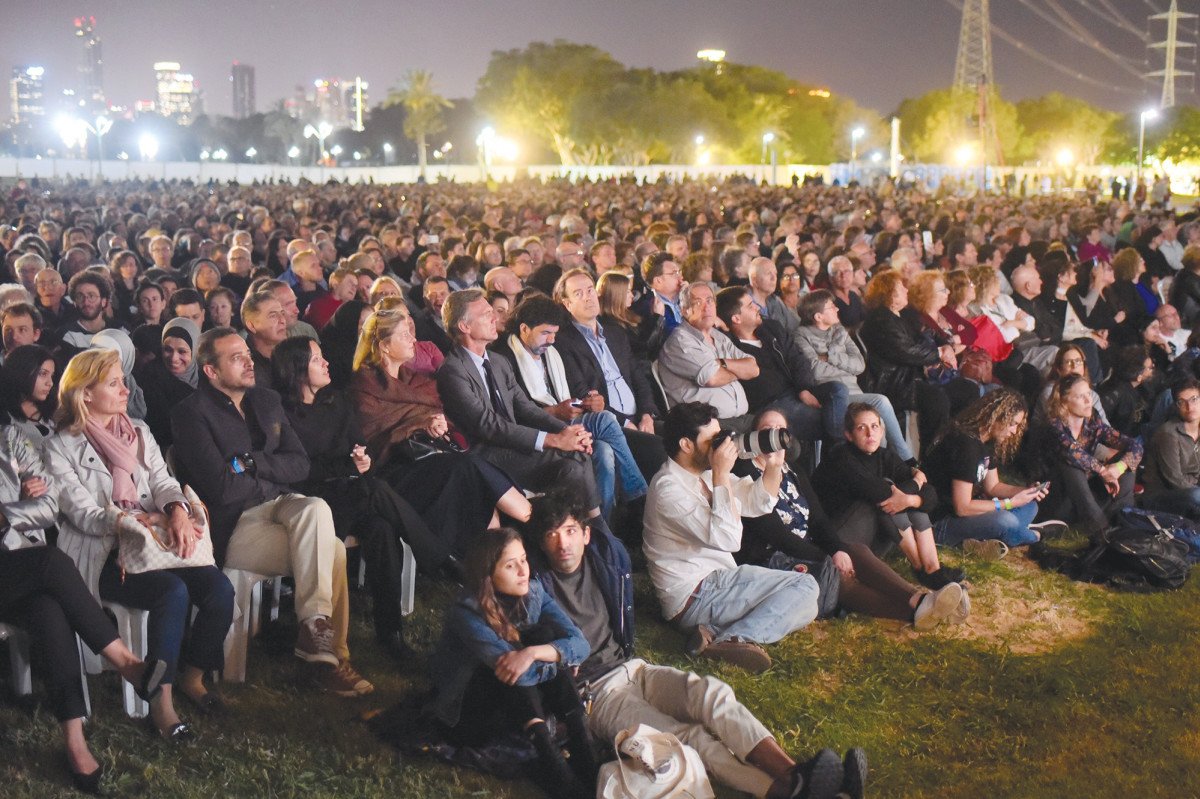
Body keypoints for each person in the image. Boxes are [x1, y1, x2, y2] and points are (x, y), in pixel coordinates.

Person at [526, 490, 865, 799]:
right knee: (684, 738)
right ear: (540, 543)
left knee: (712, 695)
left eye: (570, 531)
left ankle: (795, 774)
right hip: (595, 695)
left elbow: (586, 491)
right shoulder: (534, 590)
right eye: (552, 534)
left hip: (634, 669)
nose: (563, 543)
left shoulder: (605, 561)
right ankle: (783, 790)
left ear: (586, 534)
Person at [170, 327, 373, 697]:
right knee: (333, 550)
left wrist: (251, 463)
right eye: (236, 358)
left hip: (281, 504)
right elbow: (221, 489)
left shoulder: (265, 400)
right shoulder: (191, 413)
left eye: (248, 354)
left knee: (316, 507)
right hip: (235, 524)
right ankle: (330, 658)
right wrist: (269, 476)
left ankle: (315, 628)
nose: (249, 362)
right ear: (211, 371)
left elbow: (300, 464)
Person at [45, 348, 234, 740]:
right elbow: (83, 514)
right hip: (106, 553)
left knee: (219, 589)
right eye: (114, 383)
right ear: (85, 393)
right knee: (172, 591)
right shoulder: (60, 446)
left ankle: (193, 676)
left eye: (123, 380)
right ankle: (160, 702)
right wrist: (133, 520)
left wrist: (176, 511)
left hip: (155, 541)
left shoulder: (138, 432)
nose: (125, 390)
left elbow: (163, 482)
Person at [2, 424, 168, 792]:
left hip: (17, 566)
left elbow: (49, 506)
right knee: (52, 562)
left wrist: (8, 511)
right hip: (22, 566)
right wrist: (15, 506)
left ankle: (75, 743)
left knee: (48, 608)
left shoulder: (9, 439)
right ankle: (127, 664)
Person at [272, 335, 443, 660]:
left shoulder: (336, 401)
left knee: (382, 529)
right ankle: (437, 558)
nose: (326, 363)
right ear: (297, 369)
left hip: (351, 491)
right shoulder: (283, 413)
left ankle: (390, 632)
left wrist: (362, 460)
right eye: (316, 359)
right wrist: (348, 467)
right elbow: (298, 468)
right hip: (313, 504)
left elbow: (359, 445)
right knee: (375, 490)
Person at [642, 401, 820, 674]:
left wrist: (773, 465)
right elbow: (728, 540)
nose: (721, 445)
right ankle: (735, 639)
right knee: (805, 588)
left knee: (808, 604)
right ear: (686, 445)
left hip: (716, 586)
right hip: (694, 596)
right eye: (713, 440)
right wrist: (722, 474)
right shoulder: (668, 489)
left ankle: (713, 633)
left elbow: (758, 502)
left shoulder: (703, 475)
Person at [745, 410, 966, 626]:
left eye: (780, 429)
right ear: (754, 435)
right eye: (767, 429)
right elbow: (775, 534)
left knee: (854, 551)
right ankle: (920, 607)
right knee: (835, 575)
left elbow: (818, 520)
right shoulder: (746, 472)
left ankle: (922, 597)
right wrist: (826, 557)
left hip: (812, 544)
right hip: (773, 558)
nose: (773, 435)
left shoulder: (793, 470)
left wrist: (837, 550)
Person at [351, 302, 532, 563]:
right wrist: (418, 426)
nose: (413, 339)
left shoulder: (415, 380)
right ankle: (531, 522)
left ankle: (498, 558)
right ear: (384, 346)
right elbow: (375, 441)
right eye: (404, 335)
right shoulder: (364, 388)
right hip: (396, 472)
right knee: (467, 467)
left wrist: (436, 425)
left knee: (470, 475)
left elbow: (437, 417)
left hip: (433, 459)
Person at [430, 528, 596, 799]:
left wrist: (536, 653)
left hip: (517, 706)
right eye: (510, 565)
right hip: (469, 713)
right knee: (511, 661)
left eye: (523, 560)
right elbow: (516, 673)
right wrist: (558, 657)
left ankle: (582, 747)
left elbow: (581, 644)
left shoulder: (534, 592)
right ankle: (555, 765)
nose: (522, 571)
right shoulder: (466, 612)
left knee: (543, 638)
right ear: (487, 575)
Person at [437, 288, 601, 514]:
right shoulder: (453, 371)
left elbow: (526, 408)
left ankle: (589, 526)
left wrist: (566, 431)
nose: (495, 318)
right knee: (571, 464)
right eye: (486, 314)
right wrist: (553, 440)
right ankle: (585, 526)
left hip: (513, 444)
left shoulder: (498, 361)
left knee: (577, 455)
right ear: (464, 326)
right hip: (486, 454)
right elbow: (488, 425)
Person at [492, 294, 650, 518]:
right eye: (545, 333)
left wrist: (589, 402)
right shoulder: (505, 358)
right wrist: (554, 412)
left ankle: (603, 524)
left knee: (604, 451)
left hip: (565, 420)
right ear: (524, 329)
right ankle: (639, 498)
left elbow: (570, 394)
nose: (551, 340)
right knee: (605, 420)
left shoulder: (552, 353)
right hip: (537, 433)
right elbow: (514, 416)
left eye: (555, 333)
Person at [814, 402, 970, 589]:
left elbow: (931, 496)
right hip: (837, 540)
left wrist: (912, 500)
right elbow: (879, 492)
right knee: (888, 494)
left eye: (874, 426)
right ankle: (920, 568)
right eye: (861, 428)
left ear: (882, 431)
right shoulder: (841, 457)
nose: (870, 433)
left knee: (906, 500)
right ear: (849, 435)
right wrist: (916, 482)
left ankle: (932, 569)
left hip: (872, 535)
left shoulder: (885, 456)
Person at [923, 389, 1054, 555]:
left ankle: (992, 537)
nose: (1014, 431)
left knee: (1030, 505)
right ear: (996, 416)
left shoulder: (986, 443)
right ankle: (1034, 535)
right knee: (1006, 520)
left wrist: (1026, 492)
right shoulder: (966, 446)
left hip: (965, 514)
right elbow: (962, 507)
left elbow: (993, 486)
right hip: (942, 522)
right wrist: (1010, 503)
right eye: (1012, 423)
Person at [793, 289, 915, 462]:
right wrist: (845, 367)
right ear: (818, 316)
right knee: (880, 402)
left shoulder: (840, 331)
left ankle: (880, 467)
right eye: (831, 307)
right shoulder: (801, 336)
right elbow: (815, 370)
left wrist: (829, 357)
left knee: (878, 423)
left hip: (855, 391)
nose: (837, 309)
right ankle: (907, 459)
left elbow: (859, 365)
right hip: (832, 395)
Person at [859, 269, 953, 447]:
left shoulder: (897, 316)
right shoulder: (881, 319)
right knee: (937, 400)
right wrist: (939, 353)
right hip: (894, 382)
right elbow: (907, 351)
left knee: (960, 389)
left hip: (906, 376)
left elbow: (920, 341)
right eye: (901, 287)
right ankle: (931, 453)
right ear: (889, 294)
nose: (906, 290)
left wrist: (943, 349)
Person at [656, 282, 760, 429]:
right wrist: (739, 371)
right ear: (684, 310)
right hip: (707, 426)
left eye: (710, 300)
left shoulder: (717, 335)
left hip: (740, 419)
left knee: (781, 433)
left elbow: (753, 368)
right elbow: (712, 378)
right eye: (698, 302)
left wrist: (723, 363)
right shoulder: (680, 341)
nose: (707, 307)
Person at [1047, 374, 1142, 535]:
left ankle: (1122, 518)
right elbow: (1072, 452)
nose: (1088, 400)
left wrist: (1118, 467)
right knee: (1071, 464)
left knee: (1126, 459)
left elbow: (1135, 446)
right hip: (1057, 496)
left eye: (1089, 394)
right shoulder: (1055, 425)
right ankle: (1100, 529)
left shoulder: (1092, 421)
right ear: (1064, 401)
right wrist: (1103, 471)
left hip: (1087, 494)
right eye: (1080, 396)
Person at [1142, 377, 1200, 519]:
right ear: (1176, 406)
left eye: (1194, 399)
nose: (1189, 407)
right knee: (1196, 495)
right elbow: (1174, 480)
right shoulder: (1168, 434)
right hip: (1163, 495)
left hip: (1192, 490)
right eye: (1182, 402)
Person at [138, 317, 200, 448]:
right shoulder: (149, 380)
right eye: (168, 350)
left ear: (195, 350)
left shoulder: (209, 375)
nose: (173, 358)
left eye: (182, 351)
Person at [0, 343, 58, 444]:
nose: (50, 383)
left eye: (51, 376)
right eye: (43, 374)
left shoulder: (55, 411)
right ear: (23, 372)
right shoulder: (5, 418)